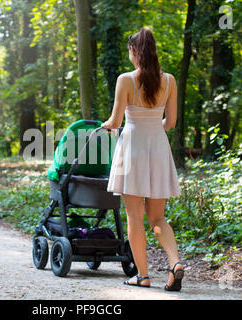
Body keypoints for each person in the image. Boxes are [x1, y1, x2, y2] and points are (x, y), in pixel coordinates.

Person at [102, 27, 184, 291]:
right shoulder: (170, 81)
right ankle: (175, 263)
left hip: (133, 148)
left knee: (134, 217)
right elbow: (170, 122)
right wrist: (152, 124)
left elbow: (115, 121)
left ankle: (143, 275)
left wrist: (107, 124)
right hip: (158, 147)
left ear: (134, 51)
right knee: (157, 218)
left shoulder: (125, 80)